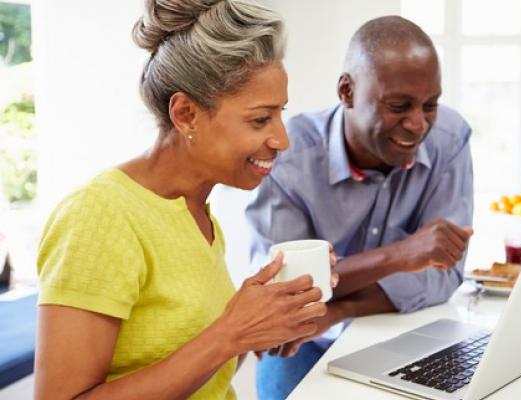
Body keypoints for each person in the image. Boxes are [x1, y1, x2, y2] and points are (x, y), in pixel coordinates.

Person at [34, 1, 334, 399]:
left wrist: (260, 329)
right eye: (260, 119)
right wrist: (230, 334)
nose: (282, 139)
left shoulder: (199, 217)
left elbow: (199, 372)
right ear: (186, 114)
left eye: (280, 114)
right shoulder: (99, 215)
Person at [246, 15, 474, 400]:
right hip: (300, 344)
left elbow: (443, 276)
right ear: (347, 91)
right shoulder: (290, 155)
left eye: (430, 105)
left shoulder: (449, 138)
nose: (418, 124)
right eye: (399, 105)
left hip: (398, 337)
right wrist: (402, 255)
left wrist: (333, 310)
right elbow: (282, 295)